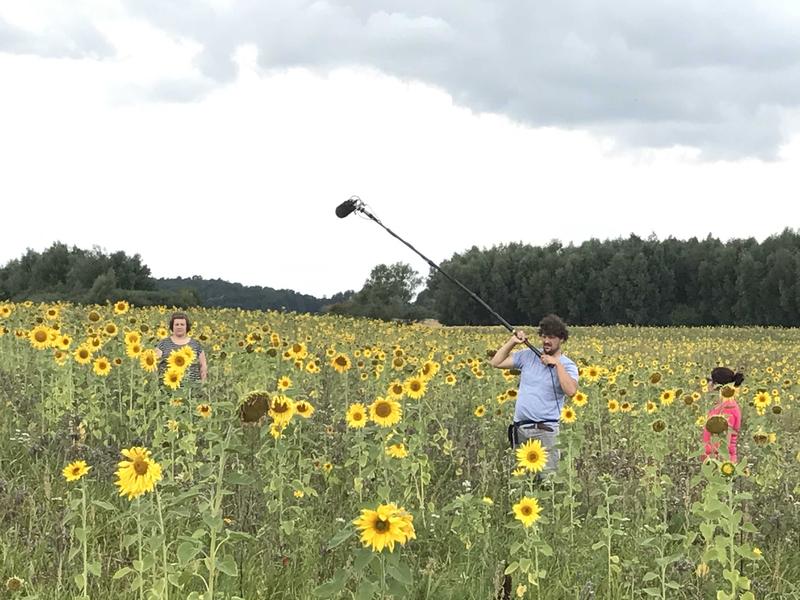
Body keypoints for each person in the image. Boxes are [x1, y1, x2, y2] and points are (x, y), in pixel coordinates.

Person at [489, 314, 579, 474]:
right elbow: (496, 362)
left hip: (546, 431)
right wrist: (513, 342)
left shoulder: (567, 365)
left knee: (547, 481)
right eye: (544, 336)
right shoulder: (528, 355)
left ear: (562, 339)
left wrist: (557, 365)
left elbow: (571, 391)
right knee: (524, 481)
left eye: (551, 337)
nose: (546, 341)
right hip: (521, 429)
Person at [701, 367, 743, 463]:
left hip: (722, 462)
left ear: (716, 385)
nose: (707, 384)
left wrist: (711, 456)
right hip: (714, 460)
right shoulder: (723, 405)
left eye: (709, 380)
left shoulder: (729, 408)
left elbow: (724, 440)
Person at [155, 312, 208, 384]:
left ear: (187, 327)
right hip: (169, 389)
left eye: (182, 324)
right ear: (172, 326)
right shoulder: (163, 344)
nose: (179, 327)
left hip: (192, 390)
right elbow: (155, 363)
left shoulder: (195, 344)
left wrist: (203, 382)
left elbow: (203, 365)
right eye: (176, 324)